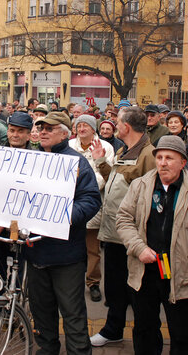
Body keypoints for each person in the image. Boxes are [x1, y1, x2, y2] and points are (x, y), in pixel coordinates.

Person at [116, 135, 188, 355]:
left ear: (183, 162)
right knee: (144, 328)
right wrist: (138, 248)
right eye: (160, 157)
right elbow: (124, 219)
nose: (163, 162)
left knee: (182, 333)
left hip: (182, 273)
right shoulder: (141, 185)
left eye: (170, 158)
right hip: (145, 270)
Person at [26, 111, 101, 354]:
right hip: (35, 252)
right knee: (42, 312)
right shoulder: (32, 160)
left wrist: (63, 215)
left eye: (50, 128)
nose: (43, 131)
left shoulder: (77, 162)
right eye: (41, 128)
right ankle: (47, 350)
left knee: (72, 313)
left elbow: (91, 200)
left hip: (66, 255)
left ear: (65, 134)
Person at [89, 106, 156, 347]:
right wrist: (100, 161)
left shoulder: (149, 154)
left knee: (136, 292)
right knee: (115, 288)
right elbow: (116, 181)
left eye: (118, 122)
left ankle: (144, 339)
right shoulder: (124, 149)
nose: (115, 126)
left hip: (133, 238)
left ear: (126, 127)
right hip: (114, 235)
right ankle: (113, 329)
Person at [69, 114, 114, 303]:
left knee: (93, 249)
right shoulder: (70, 145)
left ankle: (93, 282)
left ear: (93, 128)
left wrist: (83, 184)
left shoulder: (106, 147)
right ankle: (72, 282)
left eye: (86, 125)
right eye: (79, 125)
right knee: (71, 246)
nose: (82, 128)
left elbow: (106, 174)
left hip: (93, 203)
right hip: (70, 202)